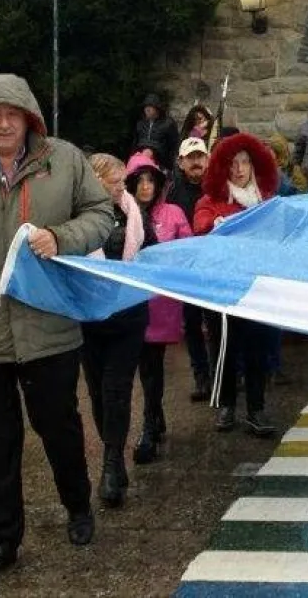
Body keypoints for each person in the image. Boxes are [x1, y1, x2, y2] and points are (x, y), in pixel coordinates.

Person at [0, 74, 114, 586]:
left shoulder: (64, 161)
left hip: (50, 323)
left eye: (12, 113)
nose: (2, 122)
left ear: (29, 119)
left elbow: (101, 213)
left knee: (59, 427)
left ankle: (77, 505)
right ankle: (1, 539)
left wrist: (60, 237)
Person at [80, 154, 155, 511]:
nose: (121, 188)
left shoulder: (134, 214)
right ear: (93, 181)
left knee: (116, 389)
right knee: (96, 392)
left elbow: (154, 252)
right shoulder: (77, 216)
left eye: (122, 181)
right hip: (90, 317)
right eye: (114, 181)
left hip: (127, 315)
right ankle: (115, 458)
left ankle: (111, 464)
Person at [193, 132, 279, 436]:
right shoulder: (212, 201)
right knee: (224, 348)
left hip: (257, 288)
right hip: (222, 290)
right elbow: (200, 226)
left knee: (257, 350)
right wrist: (216, 225)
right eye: (233, 163)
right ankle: (227, 404)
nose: (239, 169)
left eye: (245, 162)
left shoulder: (267, 202)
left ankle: (256, 408)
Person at [126, 153, 192, 464]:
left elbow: (187, 251)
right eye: (139, 181)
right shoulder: (123, 214)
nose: (145, 187)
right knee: (144, 366)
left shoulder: (174, 213)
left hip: (161, 303)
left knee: (152, 364)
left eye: (150, 180)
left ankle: (149, 425)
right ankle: (154, 415)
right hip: (130, 301)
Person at [166, 137, 215, 401]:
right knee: (193, 325)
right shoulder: (172, 191)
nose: (196, 161)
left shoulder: (217, 187)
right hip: (187, 268)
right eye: (191, 157)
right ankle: (202, 377)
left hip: (213, 266)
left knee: (218, 324)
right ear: (181, 161)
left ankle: (223, 374)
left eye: (200, 156)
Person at [133, 92, 179, 168]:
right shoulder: (140, 124)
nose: (147, 109)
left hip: (162, 164)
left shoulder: (168, 123)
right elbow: (135, 144)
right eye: (146, 106)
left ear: (157, 108)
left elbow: (174, 147)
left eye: (150, 106)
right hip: (141, 162)